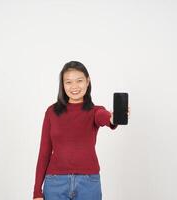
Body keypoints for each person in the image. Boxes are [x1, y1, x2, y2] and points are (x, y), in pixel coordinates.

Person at [32, 61, 130, 200]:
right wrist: (37, 191)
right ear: (62, 84)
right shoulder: (52, 112)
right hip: (55, 183)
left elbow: (104, 117)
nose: (74, 87)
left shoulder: (95, 111)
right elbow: (44, 152)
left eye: (79, 81)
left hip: (88, 183)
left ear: (87, 81)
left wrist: (113, 118)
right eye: (68, 82)